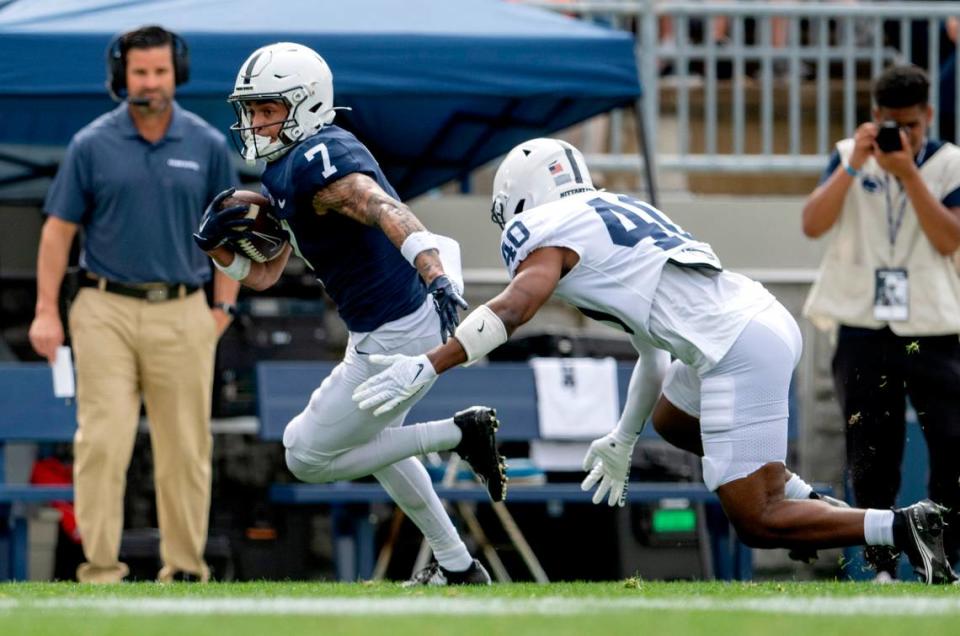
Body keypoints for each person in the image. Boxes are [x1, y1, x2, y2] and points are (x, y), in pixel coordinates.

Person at [353, 137, 959, 584]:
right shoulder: (612, 211)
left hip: (733, 346)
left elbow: (516, 306)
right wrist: (622, 437)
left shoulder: (542, 226)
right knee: (672, 423)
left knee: (758, 520)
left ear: (522, 199)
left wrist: (434, 362)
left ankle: (901, 527)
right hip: (751, 317)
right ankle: (811, 500)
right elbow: (653, 354)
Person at [192, 42, 506, 586]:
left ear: (306, 105)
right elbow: (266, 274)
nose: (256, 123)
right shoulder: (288, 171)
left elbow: (384, 207)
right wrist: (218, 250)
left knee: (305, 456)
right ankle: (457, 566)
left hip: (398, 328)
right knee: (376, 444)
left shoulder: (319, 160)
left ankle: (459, 434)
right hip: (384, 323)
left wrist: (432, 271)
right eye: (252, 111)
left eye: (268, 110)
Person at [27, 25, 239, 583]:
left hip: (184, 307)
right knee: (101, 441)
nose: (151, 83)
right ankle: (100, 570)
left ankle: (186, 570)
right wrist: (46, 311)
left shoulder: (208, 145)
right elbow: (57, 232)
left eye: (161, 72)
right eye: (140, 73)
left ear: (178, 74)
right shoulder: (91, 144)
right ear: (122, 77)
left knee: (187, 447)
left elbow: (230, 234)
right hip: (103, 310)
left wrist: (222, 310)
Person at [802, 64, 960, 580]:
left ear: (928, 117)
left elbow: (948, 238)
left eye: (912, 125)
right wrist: (854, 167)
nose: (903, 135)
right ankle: (881, 567)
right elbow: (812, 224)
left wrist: (908, 173)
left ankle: (943, 558)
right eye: (892, 123)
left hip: (931, 327)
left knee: (952, 444)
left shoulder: (949, 163)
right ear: (874, 117)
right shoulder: (850, 156)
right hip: (862, 323)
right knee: (870, 446)